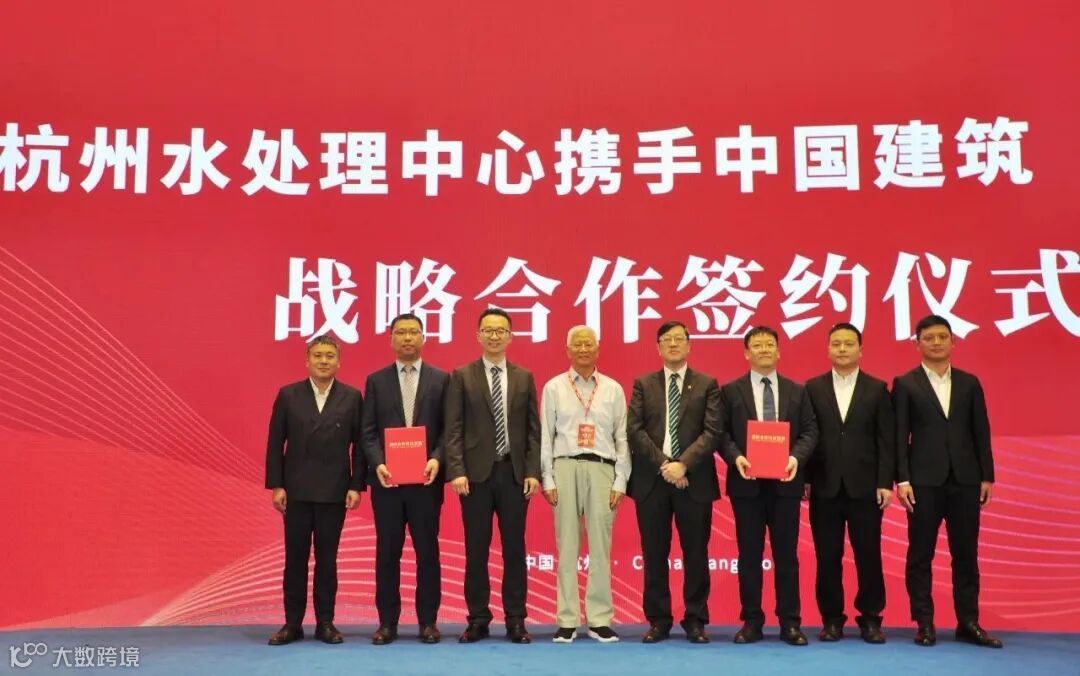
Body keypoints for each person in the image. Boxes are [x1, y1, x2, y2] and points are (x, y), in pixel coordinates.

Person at [894, 315, 1002, 648]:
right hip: (922, 482)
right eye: (929, 338)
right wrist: (902, 478)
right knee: (920, 555)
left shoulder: (969, 383)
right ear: (917, 344)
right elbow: (899, 436)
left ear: (953, 341)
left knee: (966, 554)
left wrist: (987, 475)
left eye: (943, 337)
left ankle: (968, 622)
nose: (937, 343)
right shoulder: (905, 384)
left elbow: (981, 431)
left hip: (965, 480)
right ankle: (924, 623)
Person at [444, 308, 541, 644]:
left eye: (501, 330)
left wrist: (533, 471)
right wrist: (456, 470)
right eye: (488, 330)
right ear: (478, 335)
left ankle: (516, 619)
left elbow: (533, 430)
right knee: (476, 550)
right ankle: (478, 618)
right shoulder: (462, 375)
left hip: (514, 474)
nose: (495, 336)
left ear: (511, 336)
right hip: (475, 476)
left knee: (514, 549)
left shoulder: (524, 377)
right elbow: (453, 427)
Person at [718, 325, 818, 646]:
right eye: (757, 345)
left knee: (786, 555)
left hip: (786, 483)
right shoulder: (730, 391)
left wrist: (795, 458)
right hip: (746, 485)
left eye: (769, 344)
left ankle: (790, 622)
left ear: (779, 351)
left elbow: (810, 431)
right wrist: (736, 457)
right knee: (749, 556)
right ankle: (751, 622)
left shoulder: (797, 391)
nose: (764, 349)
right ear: (746, 353)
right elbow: (721, 433)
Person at [265, 335, 364, 645]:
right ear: (307, 361)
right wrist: (277, 485)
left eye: (329, 356)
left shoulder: (351, 397)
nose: (323, 361)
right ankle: (292, 623)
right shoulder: (289, 394)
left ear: (339, 362)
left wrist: (356, 485)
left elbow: (360, 447)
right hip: (295, 491)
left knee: (327, 560)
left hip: (334, 491)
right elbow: (275, 442)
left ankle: (325, 622)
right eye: (318, 355)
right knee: (295, 559)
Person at [627, 320, 721, 644]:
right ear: (658, 347)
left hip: (694, 481)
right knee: (654, 554)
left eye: (679, 339)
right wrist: (666, 465)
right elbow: (634, 430)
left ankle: (695, 619)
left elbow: (712, 431)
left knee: (696, 553)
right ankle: (659, 620)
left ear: (689, 345)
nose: (673, 344)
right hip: (652, 481)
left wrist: (683, 465)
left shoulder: (707, 384)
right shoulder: (644, 384)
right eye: (666, 339)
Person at [360, 313, 449, 645]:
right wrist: (378, 463)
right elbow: (368, 432)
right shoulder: (376, 380)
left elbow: (449, 429)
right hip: (388, 484)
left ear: (424, 338)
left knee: (428, 553)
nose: (408, 338)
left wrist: (437, 458)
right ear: (391, 339)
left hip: (426, 482)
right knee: (387, 554)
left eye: (414, 332)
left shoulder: (441, 379)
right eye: (401, 332)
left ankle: (428, 622)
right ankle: (387, 623)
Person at [804, 323, 895, 643]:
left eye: (849, 344)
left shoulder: (877, 388)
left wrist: (885, 481)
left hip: (866, 488)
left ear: (860, 349)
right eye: (836, 344)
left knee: (868, 555)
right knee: (827, 556)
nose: (842, 349)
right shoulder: (812, 388)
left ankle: (870, 619)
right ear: (828, 349)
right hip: (824, 486)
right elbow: (807, 436)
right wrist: (805, 478)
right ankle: (831, 620)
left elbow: (886, 440)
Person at [540, 326, 630, 644]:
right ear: (567, 351)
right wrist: (547, 477)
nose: (582, 349)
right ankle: (567, 620)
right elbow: (546, 436)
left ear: (597, 349)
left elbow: (622, 437)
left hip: (603, 468)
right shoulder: (554, 387)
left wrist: (621, 480)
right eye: (576, 344)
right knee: (566, 546)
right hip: (564, 466)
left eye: (588, 344)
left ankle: (599, 619)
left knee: (601, 548)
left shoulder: (613, 389)